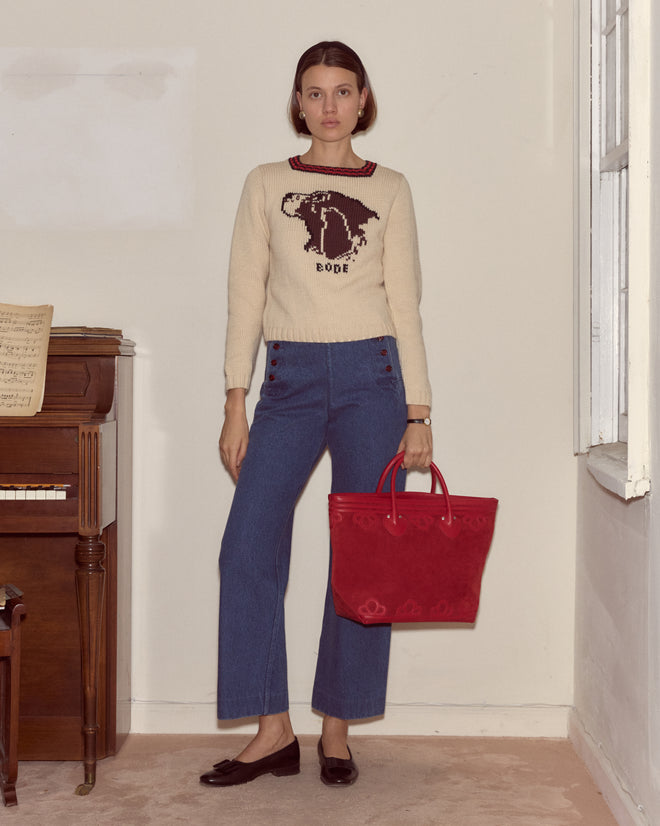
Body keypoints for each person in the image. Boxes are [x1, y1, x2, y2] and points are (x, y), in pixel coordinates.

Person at [200, 40, 432, 789]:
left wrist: (419, 409)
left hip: (374, 376)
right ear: (297, 103)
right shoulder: (267, 183)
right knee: (248, 547)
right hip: (290, 380)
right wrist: (236, 397)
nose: (328, 105)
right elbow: (245, 296)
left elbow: (406, 305)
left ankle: (337, 727)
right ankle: (272, 730)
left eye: (342, 91)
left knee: (364, 555)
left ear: (363, 100)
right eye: (314, 92)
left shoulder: (391, 187)